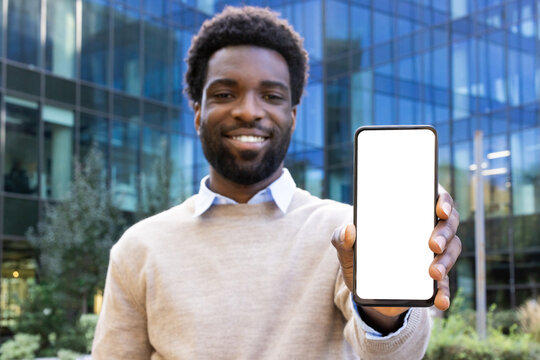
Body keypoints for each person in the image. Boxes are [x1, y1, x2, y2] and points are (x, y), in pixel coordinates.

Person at [92, 6, 461, 359]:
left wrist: (387, 314)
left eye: (271, 96)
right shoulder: (139, 248)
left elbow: (397, 356)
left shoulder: (348, 233)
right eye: (225, 94)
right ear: (198, 113)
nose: (249, 111)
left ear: (293, 117)